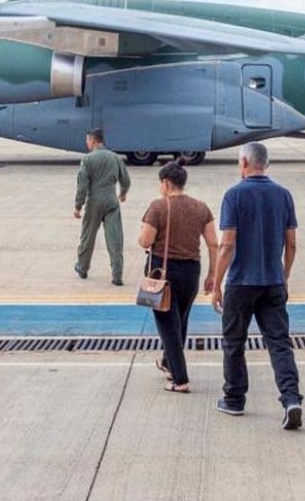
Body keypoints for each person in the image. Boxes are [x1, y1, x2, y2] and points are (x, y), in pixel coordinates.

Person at [210, 142, 303, 430]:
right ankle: (291, 398)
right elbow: (291, 243)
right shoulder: (283, 195)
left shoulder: (234, 195)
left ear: (244, 163)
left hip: (241, 282)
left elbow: (227, 245)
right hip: (273, 280)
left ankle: (235, 399)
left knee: (234, 342)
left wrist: (216, 282)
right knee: (279, 343)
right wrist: (284, 275)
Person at [136, 158, 219, 393]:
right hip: (192, 271)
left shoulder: (158, 207)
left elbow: (145, 240)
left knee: (168, 326)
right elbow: (214, 243)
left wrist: (142, 236)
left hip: (165, 275)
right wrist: (212, 274)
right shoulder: (201, 207)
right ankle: (168, 364)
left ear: (166, 183)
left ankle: (180, 378)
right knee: (180, 321)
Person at [74, 129, 130, 285]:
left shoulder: (88, 160)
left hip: (94, 203)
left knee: (88, 237)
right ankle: (117, 275)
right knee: (115, 239)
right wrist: (123, 192)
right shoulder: (115, 157)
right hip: (112, 200)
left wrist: (78, 206)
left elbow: (82, 186)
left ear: (92, 141)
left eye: (87, 140)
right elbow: (125, 179)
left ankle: (83, 267)